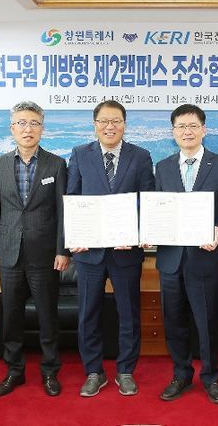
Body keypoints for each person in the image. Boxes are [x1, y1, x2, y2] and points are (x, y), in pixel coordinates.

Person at [67, 100, 155, 397]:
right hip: (89, 252)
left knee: (128, 313)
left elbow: (147, 199)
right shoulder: (80, 154)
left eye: (116, 121)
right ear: (95, 125)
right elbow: (72, 198)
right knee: (88, 313)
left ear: (124, 125)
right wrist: (75, 234)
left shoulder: (140, 156)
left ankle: (125, 370)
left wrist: (137, 231)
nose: (110, 126)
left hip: (125, 251)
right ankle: (93, 371)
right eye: (104, 121)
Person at [154, 104, 218, 404]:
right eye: (181, 126)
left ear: (204, 129)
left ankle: (211, 377)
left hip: (205, 258)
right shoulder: (163, 167)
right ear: (173, 131)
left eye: (193, 126)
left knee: (206, 323)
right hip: (170, 259)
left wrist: (217, 229)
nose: (187, 131)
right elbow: (157, 208)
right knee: (174, 322)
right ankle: (181, 374)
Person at [0, 101, 69, 397]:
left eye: (34, 123)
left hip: (44, 254)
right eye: (21, 123)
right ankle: (14, 371)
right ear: (12, 128)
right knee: (11, 316)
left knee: (47, 315)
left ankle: (50, 371)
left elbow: (62, 211)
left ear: (42, 128)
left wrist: (62, 250)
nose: (27, 129)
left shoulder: (56, 164)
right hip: (8, 253)